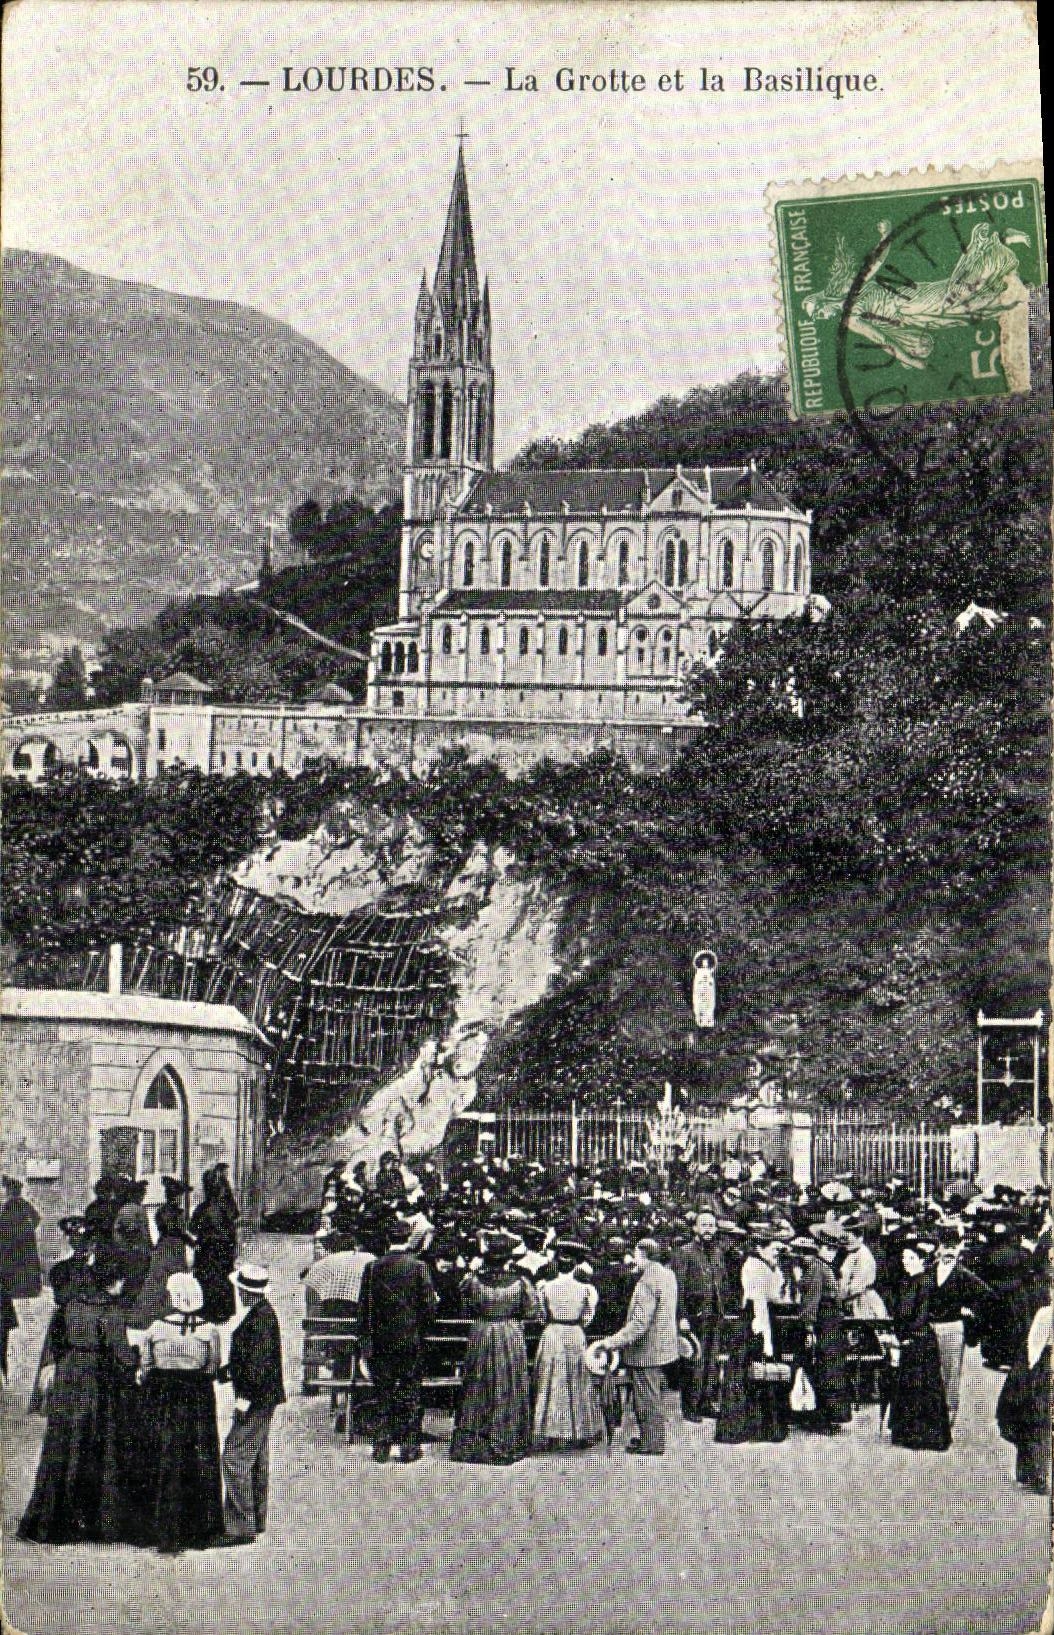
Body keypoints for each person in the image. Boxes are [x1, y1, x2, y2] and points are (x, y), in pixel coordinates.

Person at [18, 1244, 142, 1545]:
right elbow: (121, 1354)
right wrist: (138, 1357)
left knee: (64, 1441)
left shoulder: (71, 1305)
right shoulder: (111, 1311)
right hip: (96, 1378)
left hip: (68, 1374)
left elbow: (56, 1342)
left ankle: (52, 1518)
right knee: (97, 1441)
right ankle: (96, 1519)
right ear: (114, 1281)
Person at [139, 1273, 223, 1552]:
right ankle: (197, 1527)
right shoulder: (209, 1330)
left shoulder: (156, 1328)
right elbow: (212, 1367)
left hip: (162, 1395)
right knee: (196, 1455)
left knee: (162, 1452)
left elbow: (147, 1365)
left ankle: (158, 1526)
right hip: (196, 1397)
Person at [450, 1230, 543, 1465]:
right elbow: (532, 1311)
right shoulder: (521, 1283)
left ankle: (476, 1440)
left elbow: (466, 1308)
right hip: (509, 1333)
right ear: (508, 1258)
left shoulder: (473, 1281)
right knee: (508, 1381)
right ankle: (507, 1439)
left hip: (482, 1332)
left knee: (478, 1382)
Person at [214, 1263, 285, 1545]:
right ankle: (255, 1517)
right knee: (256, 1457)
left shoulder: (259, 1320)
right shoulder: (263, 1314)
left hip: (255, 1398)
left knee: (234, 1457)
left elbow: (256, 1366)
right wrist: (226, 1372)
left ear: (244, 1291)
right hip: (264, 1396)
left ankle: (239, 1526)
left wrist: (243, 1399)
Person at [358, 1216, 438, 1463]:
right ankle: (408, 1447)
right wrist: (420, 1328)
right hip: (410, 1339)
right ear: (408, 1239)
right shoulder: (418, 1267)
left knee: (383, 1392)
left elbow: (364, 1307)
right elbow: (429, 1306)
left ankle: (381, 1446)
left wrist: (366, 1340)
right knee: (410, 1392)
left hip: (381, 1340)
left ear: (387, 1238)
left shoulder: (373, 1267)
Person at [598, 1237, 679, 1456]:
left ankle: (651, 1444)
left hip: (646, 1350)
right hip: (663, 1346)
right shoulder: (667, 1275)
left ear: (643, 1255)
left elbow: (639, 1324)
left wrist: (610, 1342)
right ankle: (652, 1438)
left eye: (636, 1255)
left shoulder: (647, 1282)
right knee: (653, 1394)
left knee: (646, 1399)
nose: (633, 1259)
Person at [715, 1224, 789, 1445]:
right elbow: (759, 1303)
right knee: (749, 1372)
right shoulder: (754, 1266)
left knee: (762, 1374)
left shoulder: (770, 1266)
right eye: (774, 1249)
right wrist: (764, 1338)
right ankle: (743, 1427)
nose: (777, 1253)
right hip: (754, 1324)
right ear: (760, 1248)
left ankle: (764, 1427)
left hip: (765, 1321)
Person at [532, 1241, 604, 1450]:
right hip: (574, 1333)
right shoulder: (587, 1290)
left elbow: (541, 1315)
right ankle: (579, 1431)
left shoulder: (544, 1287)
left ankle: (547, 1431)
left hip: (552, 1334)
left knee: (550, 1381)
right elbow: (588, 1317)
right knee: (576, 1379)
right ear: (576, 1265)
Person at [888, 1242, 952, 1451]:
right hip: (910, 1340)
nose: (905, 1262)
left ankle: (924, 1436)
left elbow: (922, 1315)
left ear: (922, 1260)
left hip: (921, 1341)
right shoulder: (907, 1282)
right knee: (909, 1387)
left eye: (911, 1258)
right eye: (904, 1258)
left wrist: (908, 1335)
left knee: (922, 1387)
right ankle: (908, 1433)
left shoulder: (925, 1283)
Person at [928, 1227, 993, 1429]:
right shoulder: (929, 1271)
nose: (949, 1250)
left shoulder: (964, 1275)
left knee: (950, 1372)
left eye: (953, 1247)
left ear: (959, 1248)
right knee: (930, 1370)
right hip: (929, 1327)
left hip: (952, 1328)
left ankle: (949, 1416)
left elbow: (988, 1296)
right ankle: (931, 1413)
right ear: (938, 1248)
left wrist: (969, 1311)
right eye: (945, 1246)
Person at [670, 1209, 731, 1420]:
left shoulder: (718, 1252)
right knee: (694, 1362)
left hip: (714, 1314)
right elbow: (678, 1288)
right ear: (695, 1228)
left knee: (711, 1361)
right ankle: (691, 1406)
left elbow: (722, 1282)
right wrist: (681, 1317)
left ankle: (706, 1402)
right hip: (694, 1316)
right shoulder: (684, 1252)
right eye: (704, 1225)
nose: (708, 1229)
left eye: (711, 1225)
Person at [794, 1230, 851, 1433]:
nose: (832, 1252)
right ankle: (819, 1420)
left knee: (831, 1370)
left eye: (835, 1249)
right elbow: (811, 1301)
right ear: (819, 1248)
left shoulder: (825, 1267)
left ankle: (828, 1418)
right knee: (823, 1370)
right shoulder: (818, 1268)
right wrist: (809, 1328)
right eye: (828, 1248)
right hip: (823, 1323)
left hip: (831, 1323)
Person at [996, 1302, 1052, 1494]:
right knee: (1038, 1423)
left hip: (1043, 1370)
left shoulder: (1045, 1313)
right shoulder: (1046, 1314)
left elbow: (1033, 1348)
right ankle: (1037, 1473)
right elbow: (1034, 1348)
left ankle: (1036, 1473)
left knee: (1038, 1423)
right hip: (1044, 1371)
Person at [132, 1179, 196, 1328]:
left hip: (164, 1247)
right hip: (172, 1248)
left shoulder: (161, 1211)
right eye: (178, 1196)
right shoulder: (176, 1213)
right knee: (170, 1279)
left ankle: (158, 1311)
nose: (178, 1199)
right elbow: (176, 1231)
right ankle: (162, 1311)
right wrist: (192, 1242)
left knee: (160, 1280)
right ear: (174, 1196)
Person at [191, 1164, 239, 1324]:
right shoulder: (226, 1207)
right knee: (222, 1277)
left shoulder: (202, 1209)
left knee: (209, 1278)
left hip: (207, 1251)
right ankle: (223, 1310)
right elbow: (234, 1219)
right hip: (223, 1250)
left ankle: (208, 1310)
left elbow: (193, 1228)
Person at [302, 1232, 375, 1318]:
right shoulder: (370, 1260)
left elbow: (312, 1306)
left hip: (330, 1315)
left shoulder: (322, 1264)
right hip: (359, 1313)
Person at [0, 1176, 43, 1310]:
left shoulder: (10, 1205)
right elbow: (36, 1218)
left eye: (9, 1190)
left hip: (13, 1241)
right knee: (22, 1263)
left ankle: (18, 1289)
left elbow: (36, 1218)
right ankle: (26, 1289)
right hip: (22, 1240)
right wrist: (28, 1230)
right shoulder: (22, 1203)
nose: (8, 1192)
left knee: (16, 1263)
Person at [113, 1179, 153, 1306]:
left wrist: (150, 1247)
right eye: (140, 1194)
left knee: (138, 1279)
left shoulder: (139, 1208)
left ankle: (133, 1303)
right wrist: (136, 1248)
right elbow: (131, 1232)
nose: (142, 1197)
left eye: (143, 1194)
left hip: (138, 1250)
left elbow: (145, 1232)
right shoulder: (129, 1209)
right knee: (133, 1279)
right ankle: (128, 1304)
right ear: (133, 1194)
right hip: (132, 1251)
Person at [837, 1222, 889, 1319]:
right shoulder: (852, 1253)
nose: (845, 1239)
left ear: (860, 1237)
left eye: (849, 1235)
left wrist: (843, 1298)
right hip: (853, 1298)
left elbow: (858, 1284)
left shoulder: (864, 1255)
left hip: (862, 1299)